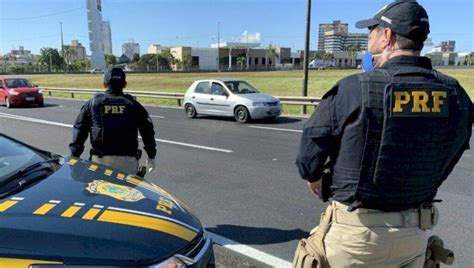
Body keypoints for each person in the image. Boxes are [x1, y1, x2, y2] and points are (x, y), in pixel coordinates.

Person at [293, 0, 472, 267]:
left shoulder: (354, 89)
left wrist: (315, 178)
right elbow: (453, 151)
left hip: (355, 238)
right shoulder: (456, 94)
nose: (369, 37)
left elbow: (309, 158)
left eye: (372, 30)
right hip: (414, 235)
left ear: (386, 36)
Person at [69, 67, 157, 175]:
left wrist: (75, 155)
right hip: (128, 162)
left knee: (99, 190)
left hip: (100, 163)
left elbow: (79, 129)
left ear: (104, 84)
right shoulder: (134, 105)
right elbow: (147, 131)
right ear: (125, 84)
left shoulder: (92, 104)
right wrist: (151, 155)